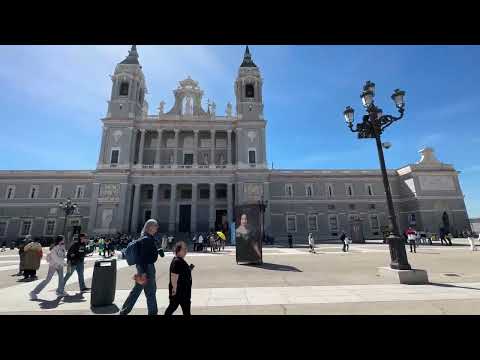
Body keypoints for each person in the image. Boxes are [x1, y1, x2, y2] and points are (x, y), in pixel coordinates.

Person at [120, 219, 162, 316]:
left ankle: (124, 311)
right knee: (150, 292)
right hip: (147, 268)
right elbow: (143, 257)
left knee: (136, 291)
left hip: (143, 267)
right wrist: (143, 272)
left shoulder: (145, 238)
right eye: (155, 226)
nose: (157, 228)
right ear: (150, 227)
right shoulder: (147, 239)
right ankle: (153, 313)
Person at [164, 241, 193, 316]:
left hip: (183, 291)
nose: (186, 251)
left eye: (186, 249)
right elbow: (174, 276)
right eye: (184, 249)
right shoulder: (177, 261)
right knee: (173, 308)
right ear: (178, 250)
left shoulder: (179, 260)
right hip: (180, 292)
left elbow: (180, 272)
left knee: (175, 308)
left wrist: (188, 270)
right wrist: (174, 289)